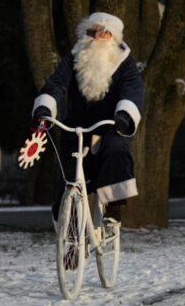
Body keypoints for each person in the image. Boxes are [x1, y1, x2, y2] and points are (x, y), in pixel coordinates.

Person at [30, 12, 144, 226]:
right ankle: (66, 221)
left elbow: (132, 91)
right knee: (66, 168)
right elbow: (57, 84)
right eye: (91, 32)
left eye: (103, 33)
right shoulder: (73, 59)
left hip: (109, 127)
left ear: (113, 37)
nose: (96, 37)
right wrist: (45, 107)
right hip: (75, 126)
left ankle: (113, 208)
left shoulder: (125, 64)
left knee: (116, 150)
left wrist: (124, 115)